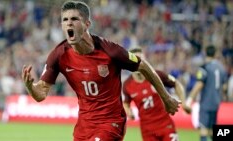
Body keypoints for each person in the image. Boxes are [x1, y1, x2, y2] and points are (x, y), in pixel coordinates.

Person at [21, 1, 180, 141]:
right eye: (65, 20)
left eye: (74, 19)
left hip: (111, 123)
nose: (69, 23)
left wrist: (166, 97)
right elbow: (41, 94)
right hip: (84, 126)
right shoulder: (58, 55)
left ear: (87, 24)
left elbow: (143, 65)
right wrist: (30, 86)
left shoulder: (110, 51)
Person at [122, 48, 190, 141]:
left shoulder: (157, 75)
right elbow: (126, 102)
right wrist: (129, 112)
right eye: (134, 60)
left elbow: (176, 84)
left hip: (165, 125)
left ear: (144, 60)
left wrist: (184, 103)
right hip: (147, 130)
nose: (137, 62)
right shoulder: (127, 84)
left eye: (140, 59)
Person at [185, 45, 227, 141]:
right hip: (216, 102)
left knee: (203, 129)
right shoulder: (221, 68)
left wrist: (189, 100)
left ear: (205, 53)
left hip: (206, 102)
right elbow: (224, 87)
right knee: (213, 130)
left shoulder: (204, 68)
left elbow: (199, 85)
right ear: (215, 54)